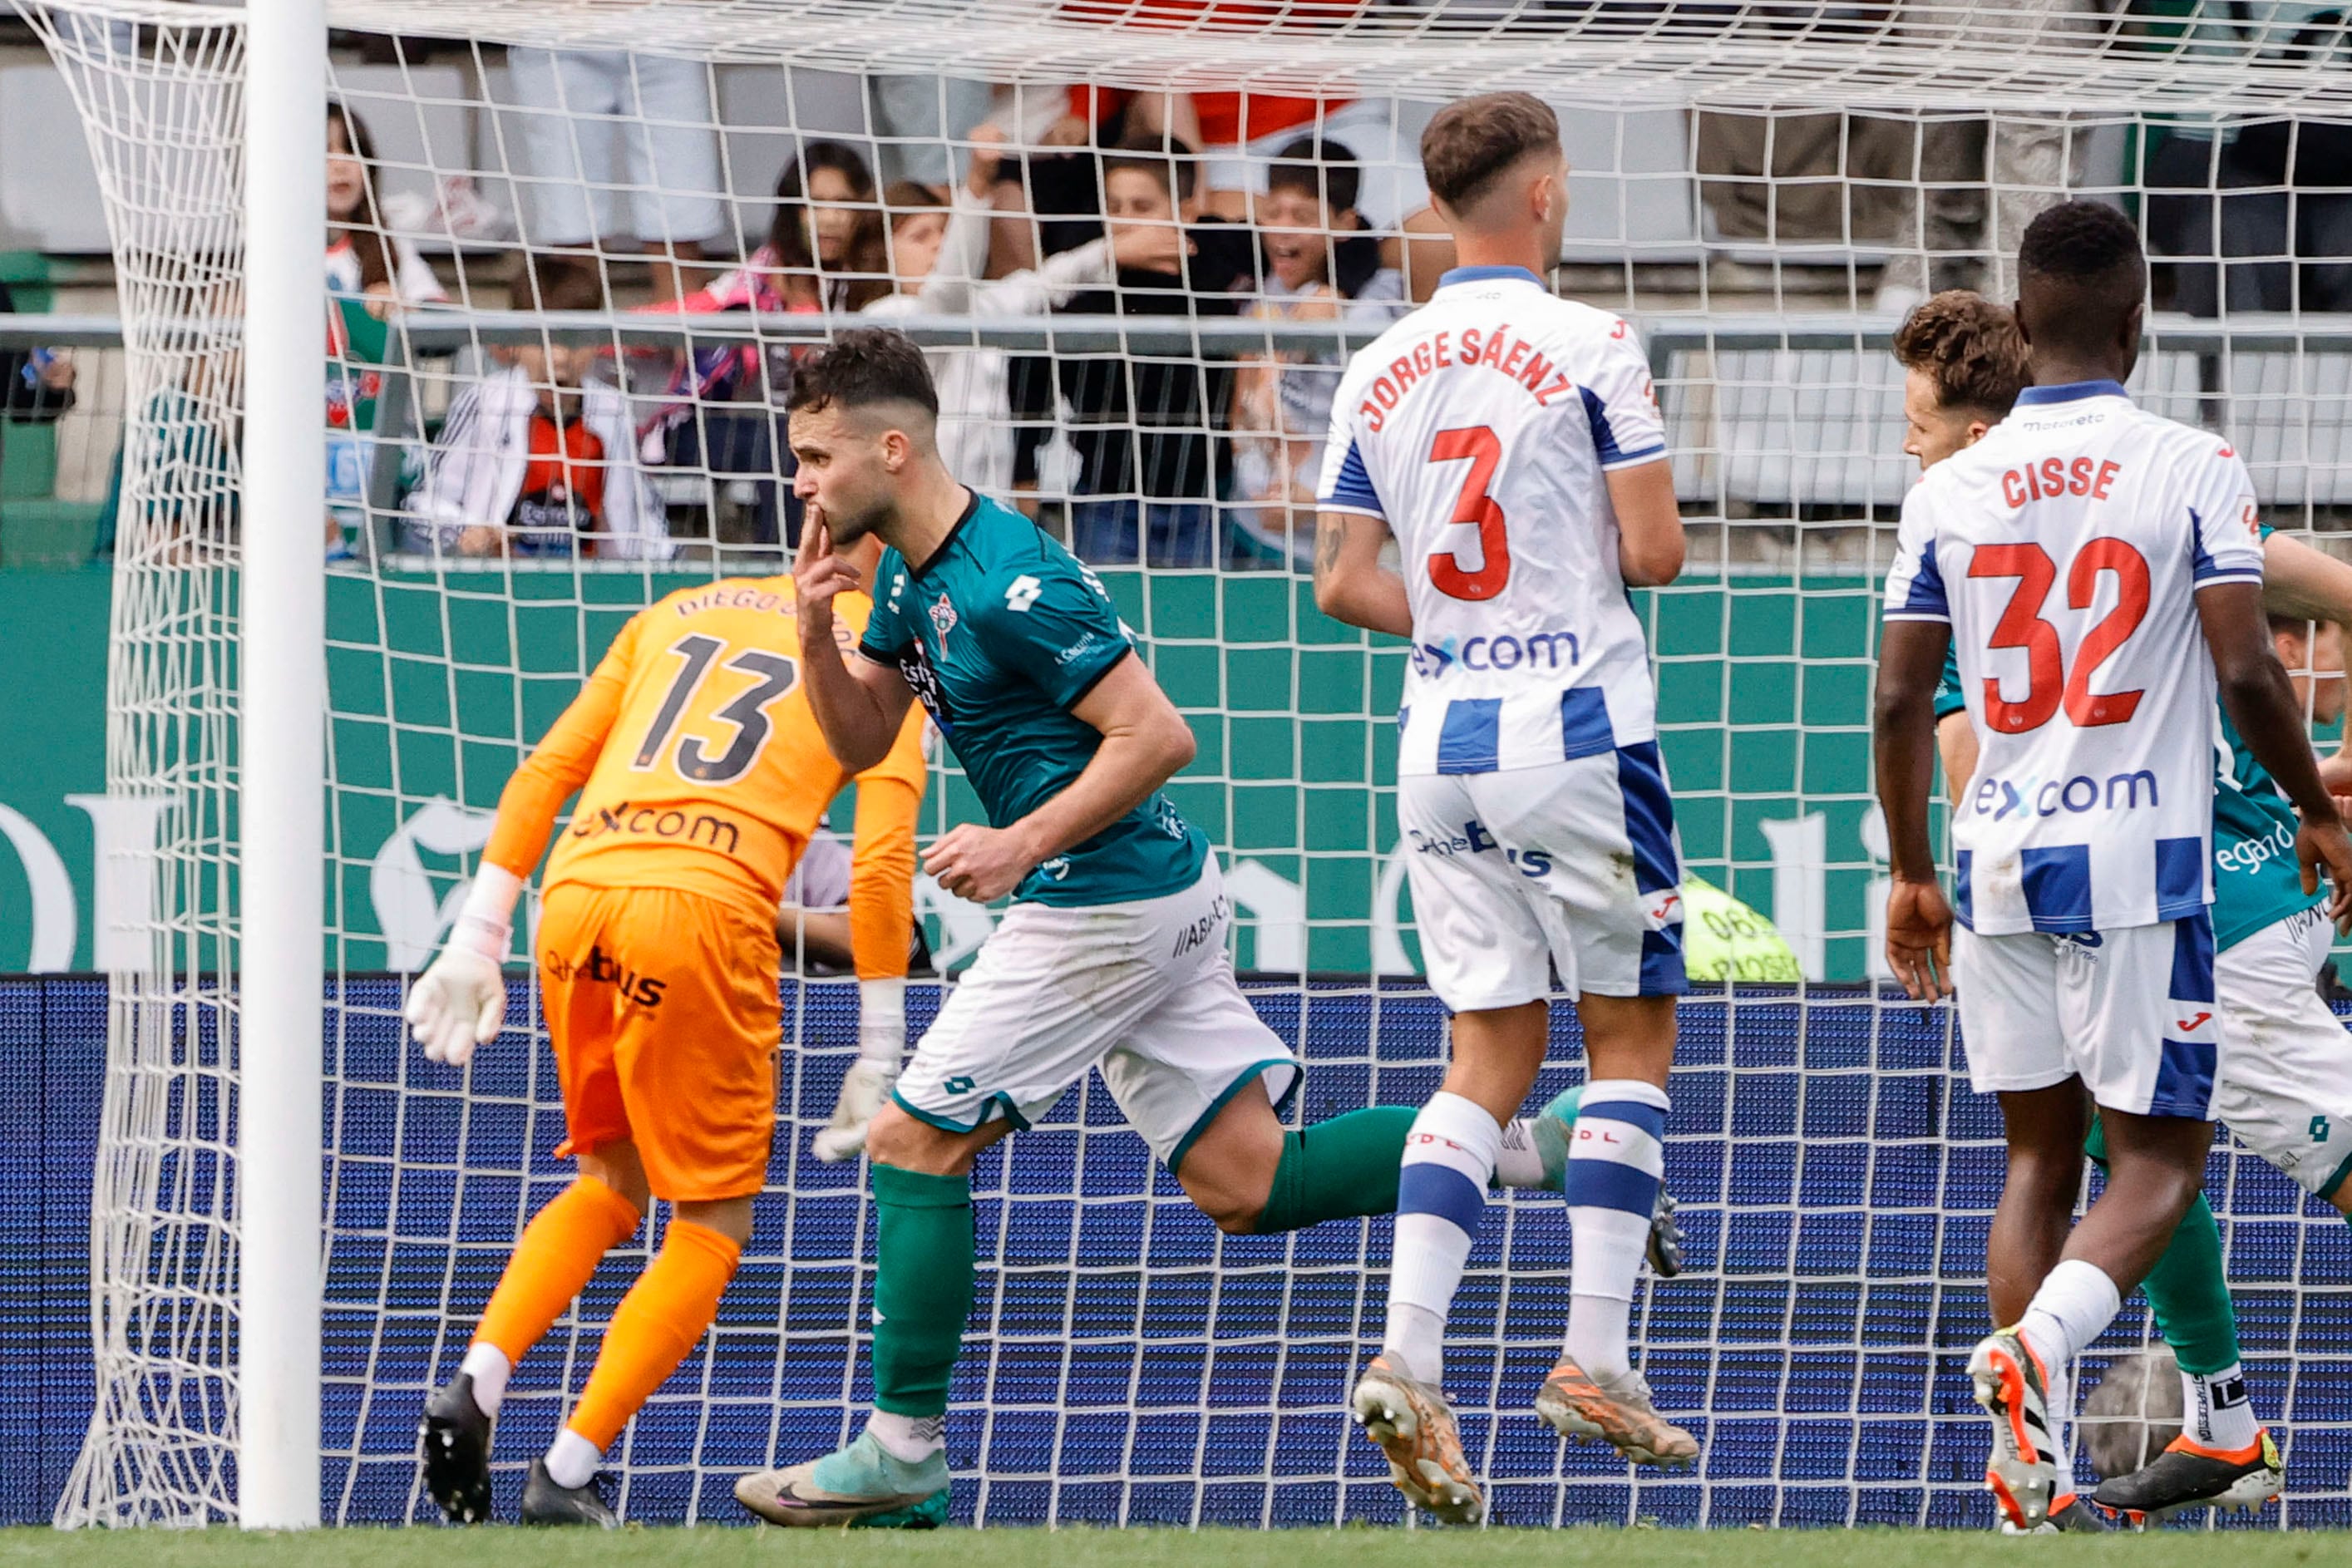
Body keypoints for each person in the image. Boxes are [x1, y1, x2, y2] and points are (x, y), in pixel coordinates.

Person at [727, 328, 1655, 1528]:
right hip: (1139, 894)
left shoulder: (1015, 579)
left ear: (890, 447)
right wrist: (812, 635)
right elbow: (861, 742)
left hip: (1102, 904)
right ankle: (1560, 1151)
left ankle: (902, 1448)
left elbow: (1159, 735)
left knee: (913, 1139)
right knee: (1248, 1181)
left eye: (813, 455)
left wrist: (1019, 843)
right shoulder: (900, 577)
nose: (798, 479)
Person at [1873, 200, 2352, 1534]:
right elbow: (2253, 659)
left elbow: (1900, 703)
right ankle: (2038, 1353)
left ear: (2023, 329)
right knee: (2156, 1168)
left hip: (2000, 869)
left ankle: (2047, 1458)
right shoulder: (2186, 462)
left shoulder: (1946, 492)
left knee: (2042, 1159)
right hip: (2146, 866)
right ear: (2141, 323)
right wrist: (2316, 803)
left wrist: (1914, 869)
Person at [1312, 91, 1697, 1521]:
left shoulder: (1380, 363)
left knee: (1483, 1055)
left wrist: (1469, 630)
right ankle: (1592, 1356)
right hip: (1577, 730)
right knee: (1626, 1038)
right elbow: (1650, 550)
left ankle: (1408, 1356)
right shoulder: (1588, 341)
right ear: (1539, 195)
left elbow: (1341, 580)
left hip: (1437, 743)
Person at [403, 540, 929, 1526]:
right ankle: (566, 1466)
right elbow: (880, 864)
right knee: (710, 1220)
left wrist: (478, 933)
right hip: (703, 909)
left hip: (578, 893)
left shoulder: (678, 608)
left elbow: (551, 765)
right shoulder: (884, 658)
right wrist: (880, 1041)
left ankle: (476, 1381)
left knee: (609, 1177)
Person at [864, 133, 1168, 497]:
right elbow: (947, 293)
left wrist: (1112, 251)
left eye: (945, 233)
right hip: (922, 517)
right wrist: (976, 187)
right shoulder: (884, 321)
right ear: (880, 254)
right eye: (920, 236)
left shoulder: (978, 307)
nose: (938, 245)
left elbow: (1043, 284)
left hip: (986, 512)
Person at [1057, 133, 1249, 569]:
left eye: (1141, 207)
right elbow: (1027, 349)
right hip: (1106, 497)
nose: (1124, 222)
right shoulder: (1085, 279)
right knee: (1111, 625)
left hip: (1202, 496)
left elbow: (1339, 245)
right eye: (1115, 206)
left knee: (1202, 623)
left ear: (1185, 212)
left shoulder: (1219, 263)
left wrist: (1341, 283)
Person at [405, 258, 670, 560]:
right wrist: (466, 535)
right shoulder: (486, 401)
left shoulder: (613, 409)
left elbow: (645, 520)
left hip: (590, 586)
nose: (558, 358)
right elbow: (424, 505)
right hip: (494, 584)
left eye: (573, 341)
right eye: (542, 341)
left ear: (598, 341)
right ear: (515, 342)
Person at [1227, 139, 1407, 571]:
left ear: (1345, 224)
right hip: (1253, 532)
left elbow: (1394, 431)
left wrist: (1322, 503)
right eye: (1273, 213)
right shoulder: (1261, 285)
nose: (1283, 229)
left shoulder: (1375, 309)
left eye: (1303, 217)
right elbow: (1243, 403)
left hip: (1344, 549)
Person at [503, 47, 724, 304]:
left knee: (678, 244)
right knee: (572, 243)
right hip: (556, 24)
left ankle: (682, 343)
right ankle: (573, 344)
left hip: (664, 23)